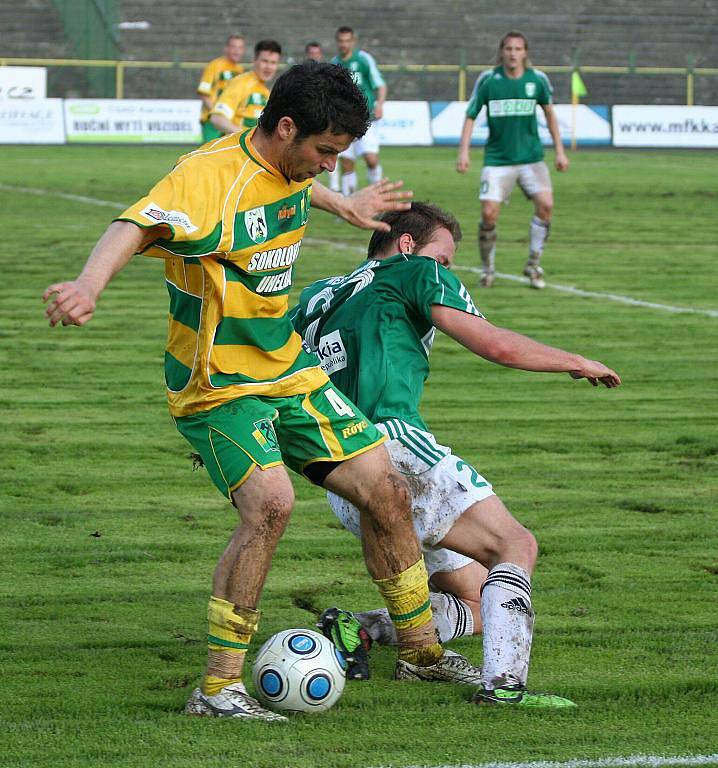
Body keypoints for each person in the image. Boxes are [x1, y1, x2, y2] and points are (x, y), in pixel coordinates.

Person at [42, 64, 478, 723]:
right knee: (271, 506)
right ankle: (217, 690)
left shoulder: (293, 168)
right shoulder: (206, 178)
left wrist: (347, 208)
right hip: (216, 382)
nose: (329, 167)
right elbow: (132, 226)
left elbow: (294, 190)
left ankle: (420, 652)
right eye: (325, 152)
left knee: (386, 488)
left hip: (284, 365)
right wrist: (87, 288)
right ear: (284, 128)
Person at [291, 201, 621, 707]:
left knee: (475, 598)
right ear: (407, 245)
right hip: (395, 448)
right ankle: (505, 687)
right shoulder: (416, 270)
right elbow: (495, 345)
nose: (445, 270)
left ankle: (362, 630)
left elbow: (273, 370)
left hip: (338, 470)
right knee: (515, 545)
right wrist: (575, 361)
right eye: (443, 259)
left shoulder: (318, 296)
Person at [456, 31, 569, 289]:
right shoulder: (488, 80)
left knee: (546, 205)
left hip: (532, 158)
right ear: (502, 51)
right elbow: (471, 115)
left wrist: (560, 151)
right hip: (497, 160)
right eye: (508, 48)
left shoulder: (537, 80)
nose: (513, 53)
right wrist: (463, 152)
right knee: (488, 213)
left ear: (525, 52)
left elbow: (550, 115)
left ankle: (533, 264)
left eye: (518, 49)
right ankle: (488, 270)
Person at [330, 26, 386, 196]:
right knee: (347, 162)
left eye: (347, 41)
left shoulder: (363, 59)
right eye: (341, 41)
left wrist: (380, 104)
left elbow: (380, 84)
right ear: (337, 42)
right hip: (344, 122)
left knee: (371, 159)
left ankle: (378, 198)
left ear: (353, 41)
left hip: (365, 119)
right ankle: (348, 203)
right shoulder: (334, 64)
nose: (344, 44)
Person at [209, 39, 281, 136]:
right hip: (236, 148)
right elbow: (217, 118)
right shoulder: (241, 83)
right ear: (254, 60)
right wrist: (248, 138)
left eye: (273, 63)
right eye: (265, 61)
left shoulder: (266, 91)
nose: (268, 67)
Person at [196, 35, 246, 143]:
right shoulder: (215, 66)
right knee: (210, 156)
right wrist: (216, 113)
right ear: (226, 48)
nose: (237, 51)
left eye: (240, 48)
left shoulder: (240, 70)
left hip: (230, 122)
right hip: (213, 121)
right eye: (233, 47)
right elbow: (204, 93)